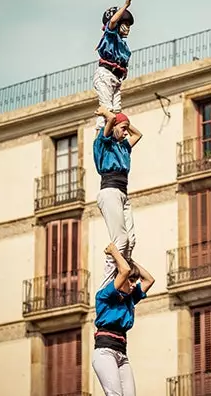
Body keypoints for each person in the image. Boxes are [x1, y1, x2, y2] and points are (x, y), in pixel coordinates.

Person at [92, 242, 154, 396]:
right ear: (121, 279)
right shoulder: (105, 296)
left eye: (134, 281)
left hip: (122, 354)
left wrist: (129, 259)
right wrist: (115, 252)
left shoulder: (130, 298)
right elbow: (124, 270)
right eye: (130, 281)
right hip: (105, 352)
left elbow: (149, 280)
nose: (133, 285)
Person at [93, 106, 143, 291]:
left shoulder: (123, 147)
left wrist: (126, 124)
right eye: (122, 129)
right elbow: (111, 120)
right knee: (120, 240)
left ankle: (125, 276)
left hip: (122, 193)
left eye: (125, 130)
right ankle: (108, 283)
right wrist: (110, 117)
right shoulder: (103, 144)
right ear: (113, 127)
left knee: (131, 239)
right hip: (110, 191)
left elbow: (138, 135)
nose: (125, 134)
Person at [94, 0, 134, 131]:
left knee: (116, 110)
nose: (128, 28)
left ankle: (112, 135)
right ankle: (100, 135)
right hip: (105, 74)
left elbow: (122, 61)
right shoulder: (110, 36)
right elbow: (112, 22)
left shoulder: (122, 45)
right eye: (125, 24)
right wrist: (125, 6)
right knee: (107, 108)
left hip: (116, 78)